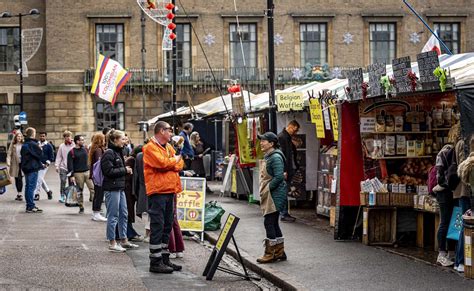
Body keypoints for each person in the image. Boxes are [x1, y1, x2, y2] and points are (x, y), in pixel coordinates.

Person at [143, 121, 184, 273]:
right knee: (158, 226)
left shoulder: (168, 147)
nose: (171, 133)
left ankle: (164, 259)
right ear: (161, 131)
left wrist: (173, 163)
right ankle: (155, 262)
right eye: (169, 130)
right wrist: (174, 161)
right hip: (158, 192)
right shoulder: (150, 148)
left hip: (169, 190)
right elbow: (162, 164)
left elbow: (180, 164)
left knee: (167, 226)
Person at [101, 129, 138, 252]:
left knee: (124, 214)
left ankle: (124, 240)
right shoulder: (109, 153)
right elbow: (108, 172)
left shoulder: (118, 152)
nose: (125, 141)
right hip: (112, 188)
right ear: (114, 140)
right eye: (122, 139)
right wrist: (125, 170)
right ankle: (112, 243)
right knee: (113, 215)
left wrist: (124, 169)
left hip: (119, 187)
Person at [256, 132, 288, 264]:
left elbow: (279, 176)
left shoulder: (275, 157)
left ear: (271, 143)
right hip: (272, 194)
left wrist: (268, 188)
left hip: (274, 195)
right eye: (261, 141)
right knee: (274, 222)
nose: (261, 143)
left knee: (269, 222)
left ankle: (270, 253)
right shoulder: (270, 156)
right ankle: (280, 252)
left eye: (264, 141)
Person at [433, 125, 460, 267]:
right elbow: (439, 175)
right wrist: (448, 184)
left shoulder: (452, 150)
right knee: (445, 222)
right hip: (445, 191)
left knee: (452, 222)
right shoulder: (446, 151)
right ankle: (441, 253)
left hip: (451, 190)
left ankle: (450, 253)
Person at [455, 135, 474, 273]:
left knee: (465, 225)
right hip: (465, 192)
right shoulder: (463, 147)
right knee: (466, 225)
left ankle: (459, 261)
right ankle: (461, 260)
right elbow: (463, 172)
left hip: (464, 192)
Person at [277, 120, 300, 222]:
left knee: (285, 190)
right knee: (284, 191)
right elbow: (282, 155)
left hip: (289, 168)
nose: (295, 133)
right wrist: (284, 170)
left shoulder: (287, 137)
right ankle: (283, 213)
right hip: (286, 169)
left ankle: (284, 213)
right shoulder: (282, 137)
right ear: (291, 126)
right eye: (295, 130)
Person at [68, 135, 95, 213]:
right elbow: (70, 165)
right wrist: (72, 175)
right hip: (78, 173)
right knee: (80, 190)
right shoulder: (71, 152)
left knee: (93, 189)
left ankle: (95, 206)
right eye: (82, 140)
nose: (83, 141)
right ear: (77, 141)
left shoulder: (85, 149)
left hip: (87, 172)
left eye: (83, 140)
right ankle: (81, 206)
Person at [21, 127, 44, 213]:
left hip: (26, 167)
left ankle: (29, 205)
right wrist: (40, 148)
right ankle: (30, 206)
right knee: (31, 187)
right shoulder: (33, 144)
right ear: (33, 134)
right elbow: (40, 155)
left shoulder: (25, 144)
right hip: (32, 167)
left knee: (28, 187)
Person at [124, 149, 143, 241]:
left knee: (128, 210)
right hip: (128, 189)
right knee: (128, 210)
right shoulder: (132, 160)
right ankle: (129, 232)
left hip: (129, 189)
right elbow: (128, 176)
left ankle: (128, 232)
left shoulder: (132, 159)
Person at [88, 133, 107, 222]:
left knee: (97, 194)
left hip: (95, 175)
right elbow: (99, 163)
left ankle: (95, 213)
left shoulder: (95, 149)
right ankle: (96, 213)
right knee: (99, 194)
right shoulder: (98, 150)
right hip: (98, 175)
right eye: (103, 139)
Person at [134, 145, 150, 243]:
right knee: (152, 214)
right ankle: (148, 234)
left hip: (143, 187)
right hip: (153, 188)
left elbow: (137, 175)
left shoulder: (139, 156)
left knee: (149, 213)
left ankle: (147, 234)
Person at [55, 131, 75, 203]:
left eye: (69, 136)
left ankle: (70, 196)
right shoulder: (61, 146)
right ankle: (62, 195)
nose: (68, 138)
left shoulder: (74, 145)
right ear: (64, 138)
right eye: (66, 136)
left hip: (72, 167)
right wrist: (57, 166)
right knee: (63, 181)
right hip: (63, 167)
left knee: (71, 182)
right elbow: (59, 157)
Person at [34, 132, 54, 200]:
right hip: (37, 164)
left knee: (39, 179)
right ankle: (48, 191)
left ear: (45, 137)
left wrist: (47, 164)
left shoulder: (48, 145)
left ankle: (36, 194)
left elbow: (51, 157)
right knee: (40, 179)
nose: (42, 137)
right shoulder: (37, 144)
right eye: (41, 136)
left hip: (44, 165)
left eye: (43, 136)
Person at [7, 132, 24, 201]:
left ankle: (20, 194)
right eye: (18, 136)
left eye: (20, 136)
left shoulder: (24, 144)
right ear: (15, 137)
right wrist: (8, 161)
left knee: (20, 178)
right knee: (17, 178)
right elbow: (9, 153)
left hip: (22, 163)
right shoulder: (13, 145)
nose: (19, 138)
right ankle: (19, 193)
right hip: (15, 163)